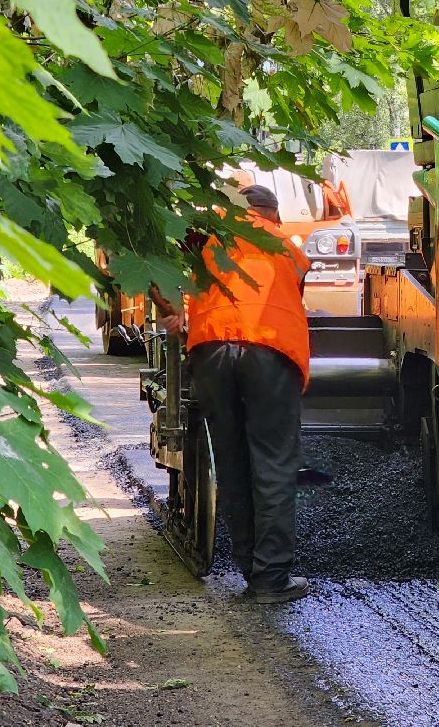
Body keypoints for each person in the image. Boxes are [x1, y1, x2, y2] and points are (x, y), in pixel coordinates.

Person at [170, 183, 312, 603]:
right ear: (272, 215)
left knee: (231, 459)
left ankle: (250, 568)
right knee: (273, 461)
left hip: (211, 350)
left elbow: (170, 282)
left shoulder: (205, 242)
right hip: (269, 350)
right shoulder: (286, 244)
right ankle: (271, 579)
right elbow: (295, 293)